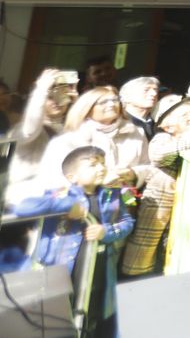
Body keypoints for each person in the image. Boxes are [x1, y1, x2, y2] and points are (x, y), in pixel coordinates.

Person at [11, 146, 133, 335]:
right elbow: (23, 208)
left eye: (102, 163)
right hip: (59, 268)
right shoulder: (60, 193)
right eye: (92, 165)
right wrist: (66, 205)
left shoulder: (113, 195)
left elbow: (127, 222)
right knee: (55, 313)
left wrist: (106, 231)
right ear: (71, 177)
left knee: (90, 311)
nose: (101, 168)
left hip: (97, 267)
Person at [120, 96, 190, 278]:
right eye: (182, 115)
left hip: (186, 216)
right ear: (168, 126)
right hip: (158, 210)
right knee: (144, 260)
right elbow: (160, 155)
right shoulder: (163, 139)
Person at [40, 86, 151, 191]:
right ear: (88, 109)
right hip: (82, 204)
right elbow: (53, 177)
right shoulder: (69, 139)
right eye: (103, 102)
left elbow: (149, 166)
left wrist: (133, 174)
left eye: (115, 100)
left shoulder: (136, 133)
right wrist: (96, 183)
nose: (111, 104)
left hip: (125, 203)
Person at [5, 68, 78, 203]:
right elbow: (30, 128)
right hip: (24, 201)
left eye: (62, 95)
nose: (56, 101)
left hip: (56, 201)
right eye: (50, 97)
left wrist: (76, 104)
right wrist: (41, 90)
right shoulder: (22, 129)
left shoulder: (67, 131)